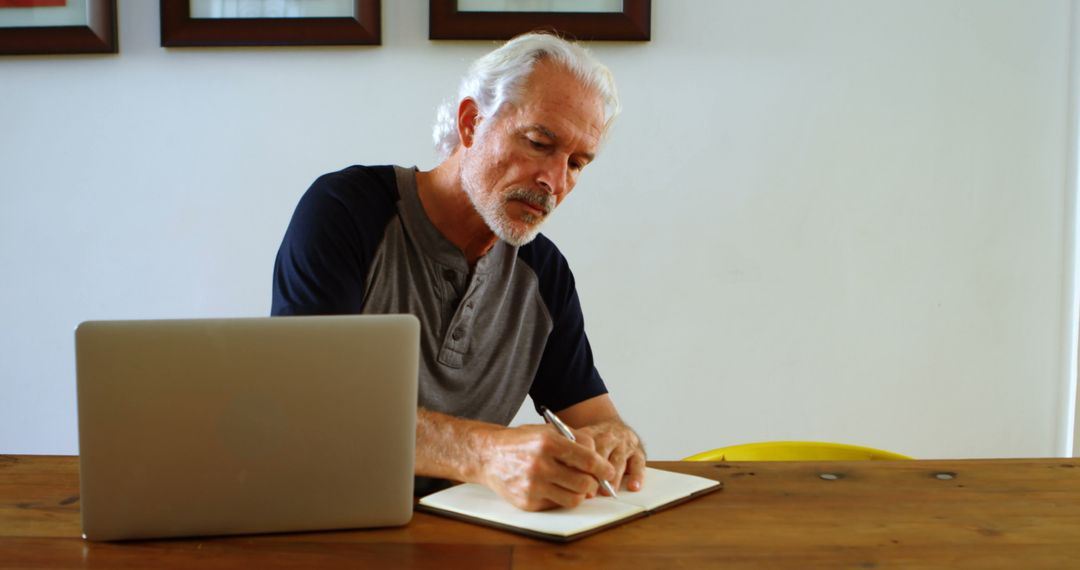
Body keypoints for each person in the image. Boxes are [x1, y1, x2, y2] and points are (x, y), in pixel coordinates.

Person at [271, 32, 645, 512]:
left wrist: (616, 443)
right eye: (538, 143)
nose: (554, 182)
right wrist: (484, 453)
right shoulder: (346, 212)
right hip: (326, 524)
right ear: (472, 122)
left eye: (576, 163)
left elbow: (597, 420)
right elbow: (305, 406)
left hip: (469, 535)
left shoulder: (543, 272)